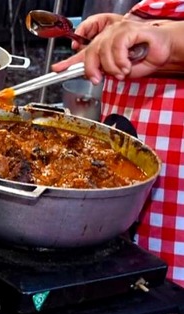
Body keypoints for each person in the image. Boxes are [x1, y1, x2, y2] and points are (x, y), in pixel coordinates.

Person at [52, 0, 184, 286]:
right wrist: (131, 29)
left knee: (164, 300)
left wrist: (171, 42)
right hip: (129, 182)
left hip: (176, 208)